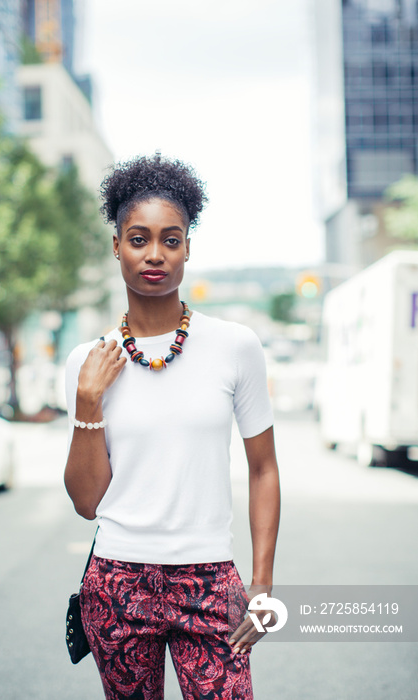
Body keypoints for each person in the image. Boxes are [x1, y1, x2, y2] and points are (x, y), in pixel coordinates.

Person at [64, 153, 281, 700]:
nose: (154, 254)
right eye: (138, 239)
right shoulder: (85, 363)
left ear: (188, 247)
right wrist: (89, 402)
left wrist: (261, 585)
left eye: (171, 239)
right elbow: (87, 502)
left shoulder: (235, 346)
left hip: (208, 579)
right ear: (116, 245)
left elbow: (263, 468)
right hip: (116, 583)